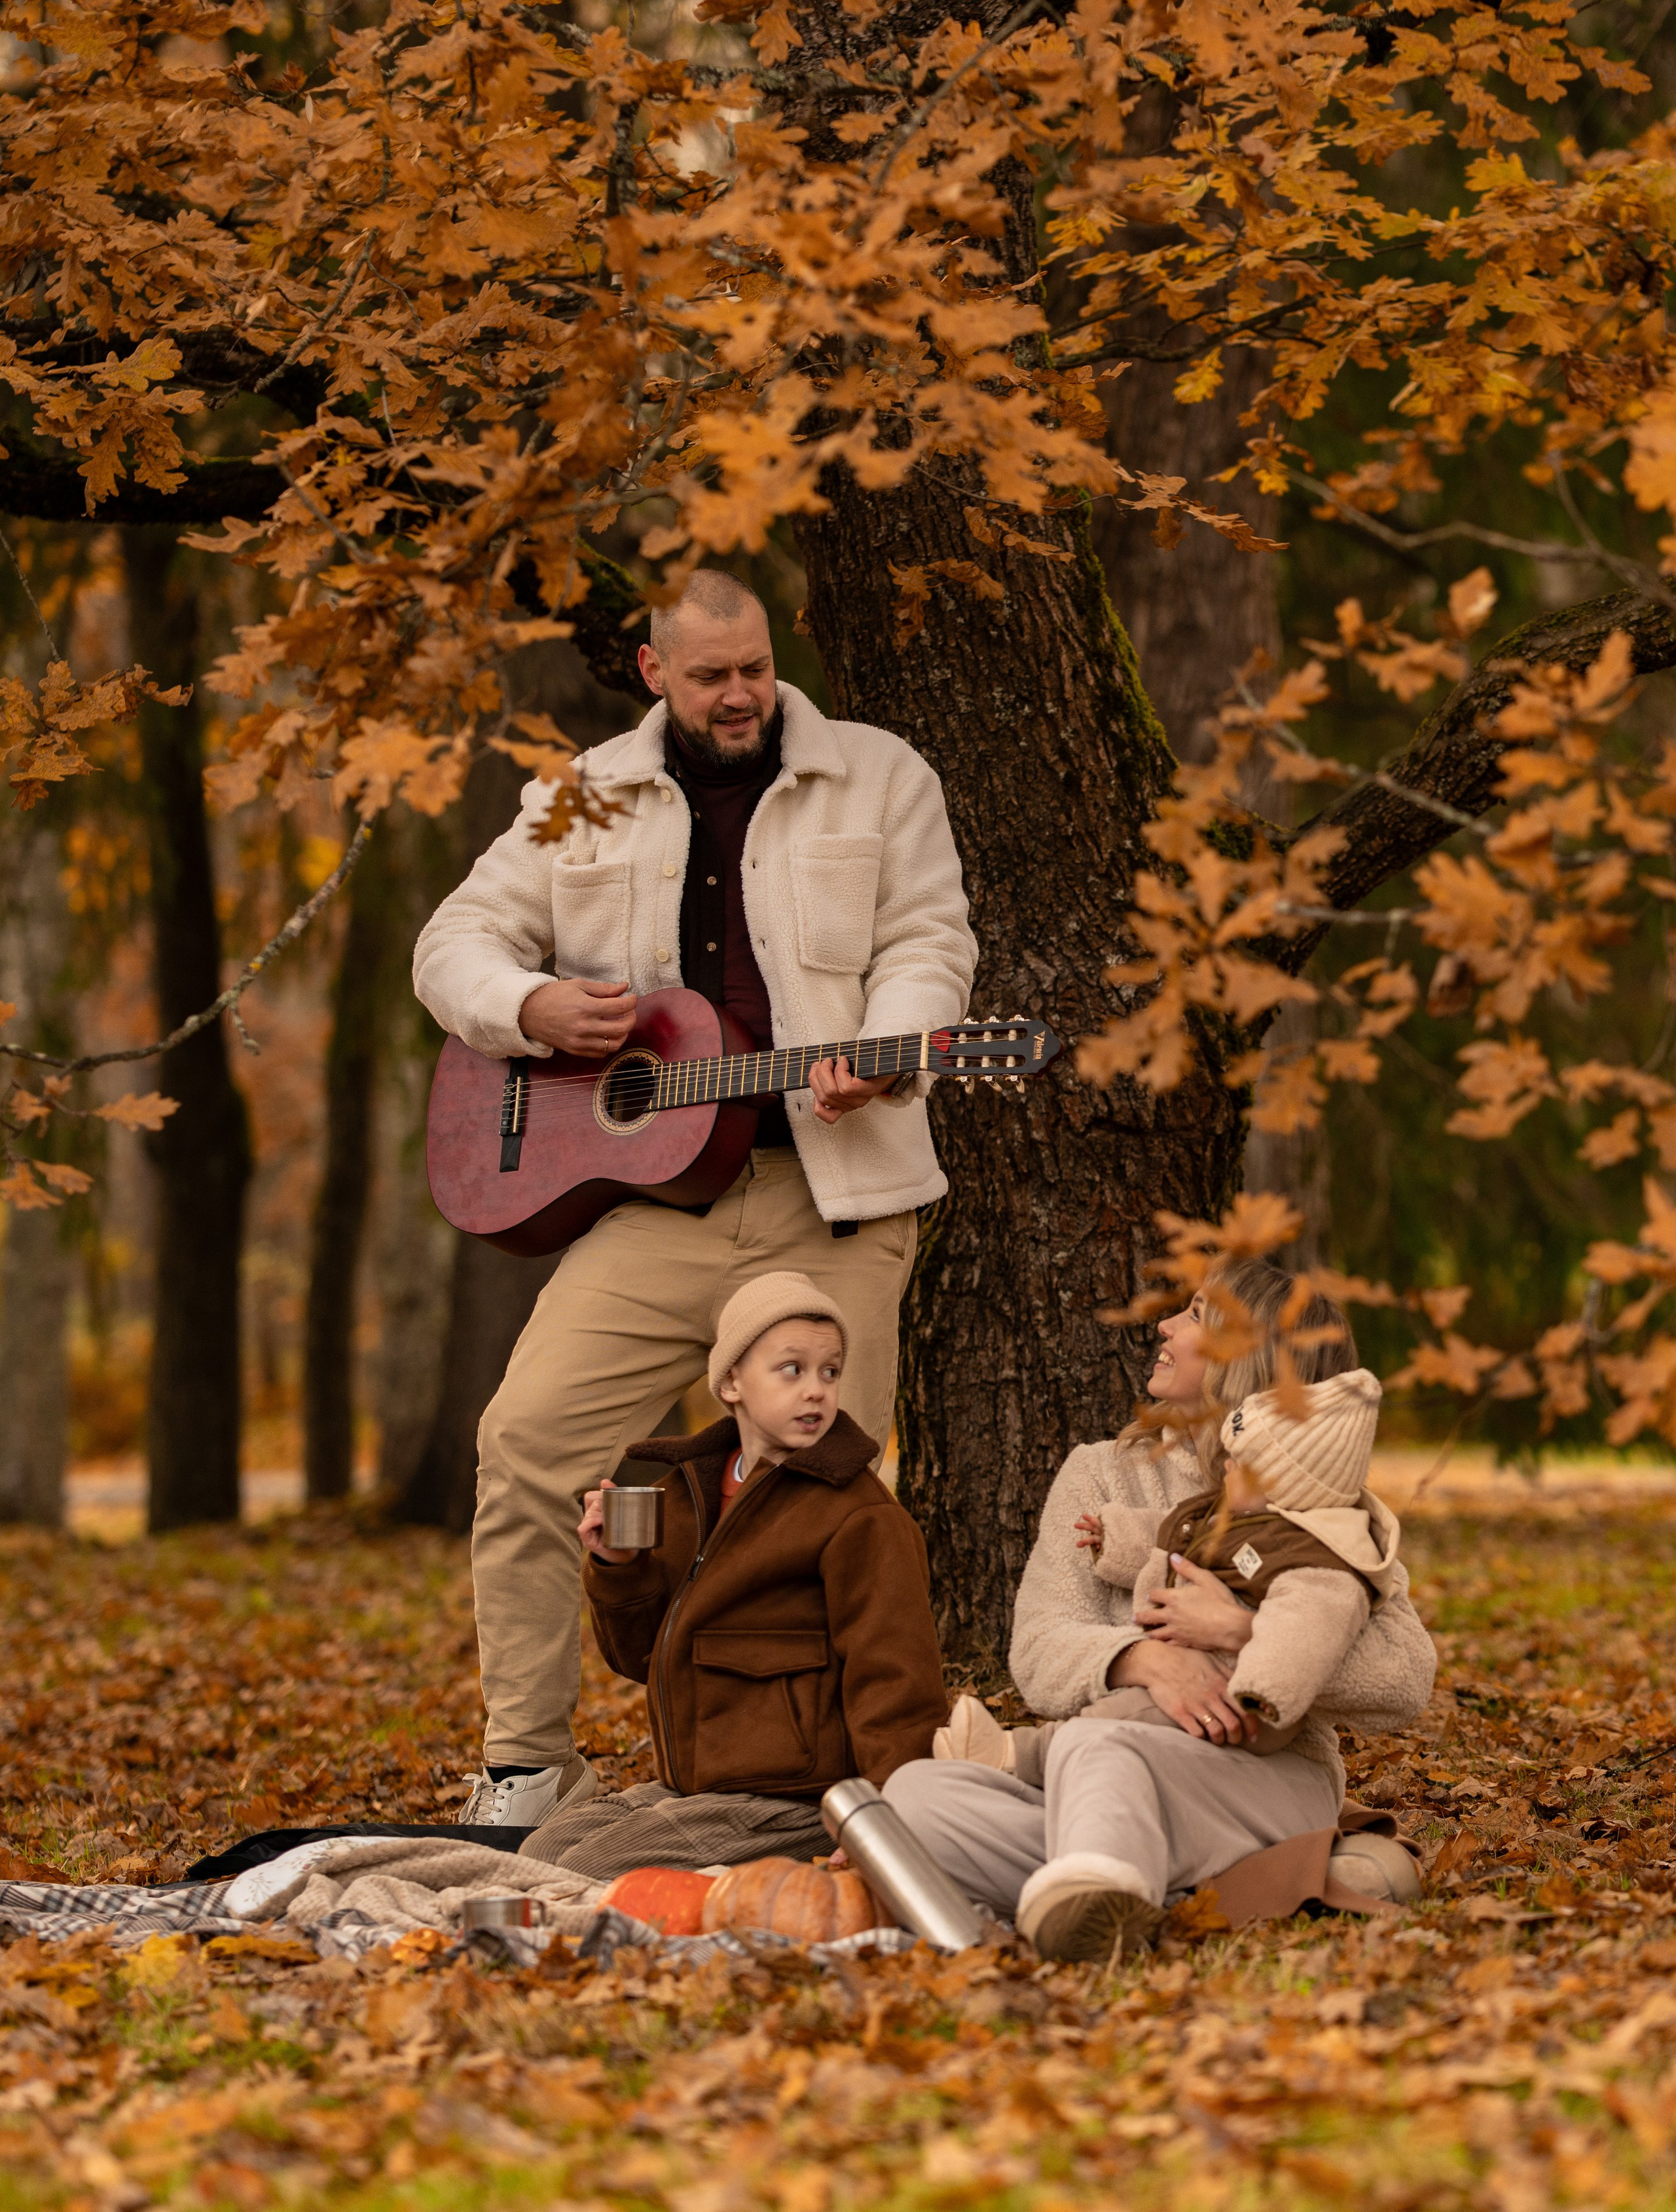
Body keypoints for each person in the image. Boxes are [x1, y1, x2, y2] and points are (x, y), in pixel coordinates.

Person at [414, 571, 976, 1828]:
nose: (741, 695)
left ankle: (842, 1780)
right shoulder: (583, 797)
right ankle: (526, 1765)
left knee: (833, 1491)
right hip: (652, 1211)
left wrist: (886, 1047)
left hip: (828, 1198)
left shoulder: (881, 776)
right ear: (654, 671)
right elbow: (450, 944)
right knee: (524, 1446)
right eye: (712, 674)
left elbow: (933, 944)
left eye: (756, 667)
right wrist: (532, 1008)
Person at [885, 1258, 1438, 1963]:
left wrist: (1242, 1632)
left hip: (1259, 1778)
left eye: (1197, 1315)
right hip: (1102, 1777)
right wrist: (1144, 1660)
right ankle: (1224, 1885)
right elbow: (1038, 1647)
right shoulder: (1099, 1472)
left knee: (1095, 1745)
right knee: (912, 1795)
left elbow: (1404, 1678)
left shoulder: (1315, 1503)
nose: (1167, 1325)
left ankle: (1111, 1893)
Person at [509, 1273, 946, 1881]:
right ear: (732, 1381)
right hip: (697, 1786)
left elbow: (897, 1679)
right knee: (544, 1851)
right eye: (791, 1369)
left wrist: (883, 1815)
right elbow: (642, 1657)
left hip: (800, 1797)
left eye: (830, 1371)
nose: (817, 1391)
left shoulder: (857, 1514)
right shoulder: (688, 1492)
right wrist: (617, 1567)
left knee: (585, 1870)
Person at [939, 1364, 1402, 1771]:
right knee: (1133, 1714)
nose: (1228, 1468)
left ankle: (1014, 1755)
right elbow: (1178, 1533)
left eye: (1242, 1465)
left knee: (1125, 1720)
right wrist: (1115, 1537)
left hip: (1240, 1704)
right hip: (1202, 1692)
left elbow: (1312, 1624)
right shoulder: (1234, 1514)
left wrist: (1251, 1661)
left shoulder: (1315, 1554)